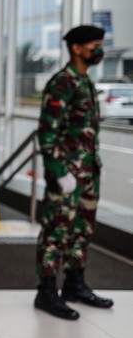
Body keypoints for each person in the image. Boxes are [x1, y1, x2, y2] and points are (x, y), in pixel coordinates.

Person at [34, 24, 114, 320]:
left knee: (82, 230)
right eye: (94, 46)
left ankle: (74, 285)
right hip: (67, 174)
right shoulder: (62, 84)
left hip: (87, 172)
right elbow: (47, 133)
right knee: (56, 231)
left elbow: (86, 132)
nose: (99, 51)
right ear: (76, 48)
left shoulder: (85, 82)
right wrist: (58, 172)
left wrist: (95, 166)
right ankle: (46, 291)